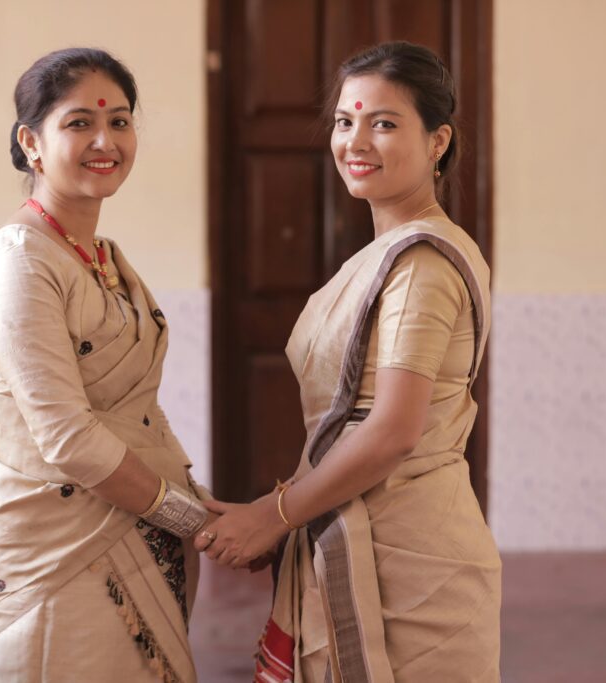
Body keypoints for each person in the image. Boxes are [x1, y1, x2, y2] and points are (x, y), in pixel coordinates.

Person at [195, 41, 502, 682]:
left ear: (438, 140)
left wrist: (273, 515)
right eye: (344, 121)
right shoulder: (390, 252)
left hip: (407, 567)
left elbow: (391, 431)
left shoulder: (420, 265)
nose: (355, 141)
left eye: (384, 123)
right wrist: (286, 517)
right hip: (365, 531)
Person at [0, 48, 212, 683]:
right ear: (31, 142)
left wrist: (197, 506)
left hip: (138, 533)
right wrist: (188, 517)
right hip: (56, 559)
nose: (106, 140)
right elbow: (68, 439)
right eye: (79, 123)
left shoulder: (98, 254)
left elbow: (137, 413)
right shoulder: (20, 264)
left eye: (120, 122)